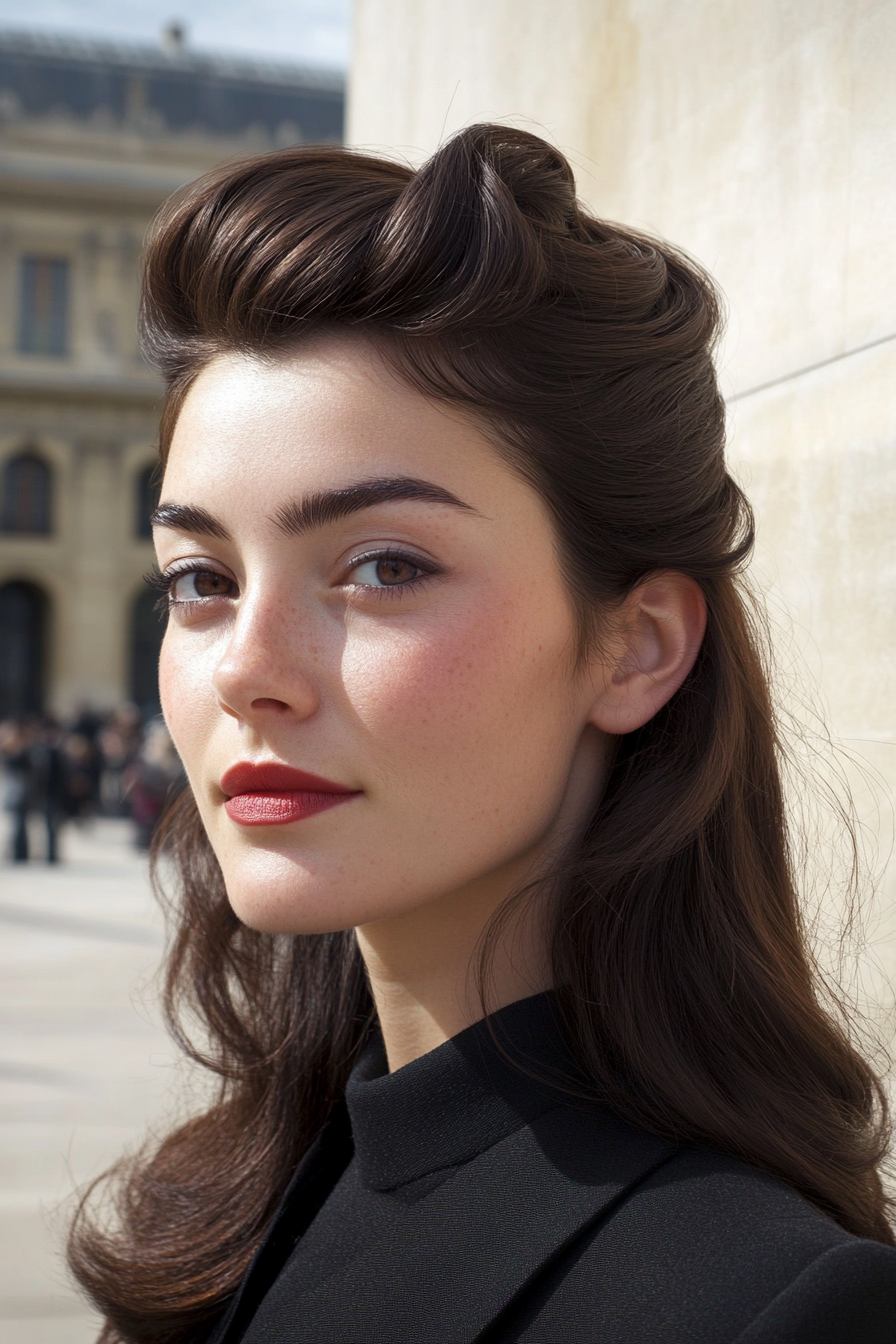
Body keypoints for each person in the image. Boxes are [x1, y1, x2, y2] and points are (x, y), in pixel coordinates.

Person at [68, 126, 896, 1343]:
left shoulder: (764, 1306)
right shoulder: (239, 1197)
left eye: (382, 566)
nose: (245, 668)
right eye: (200, 579)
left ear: (636, 647)